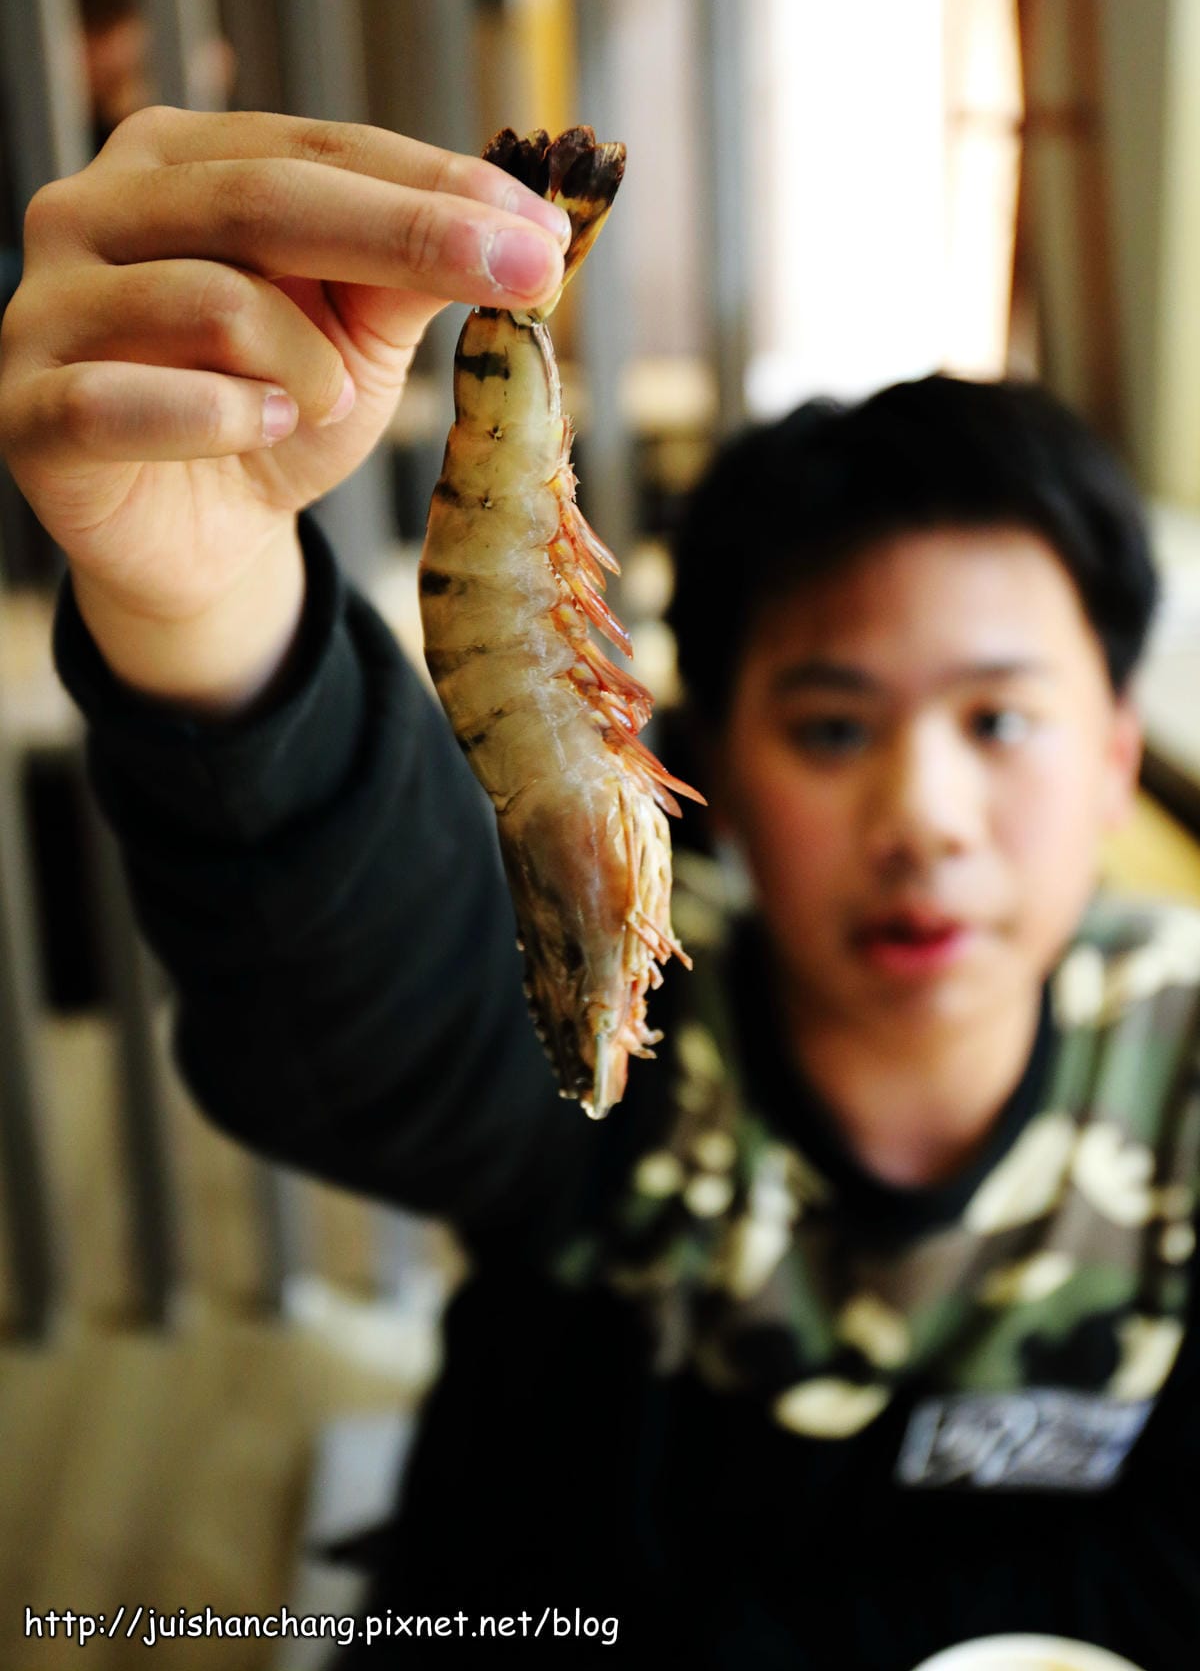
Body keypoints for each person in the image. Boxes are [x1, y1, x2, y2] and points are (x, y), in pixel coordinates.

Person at [0, 107, 1194, 1670]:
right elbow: (375, 1004)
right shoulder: (637, 1027)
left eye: (1002, 719)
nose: (924, 815)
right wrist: (207, 606)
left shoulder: (1180, 1077)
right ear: (715, 755)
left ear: (1117, 757)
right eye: (832, 724)